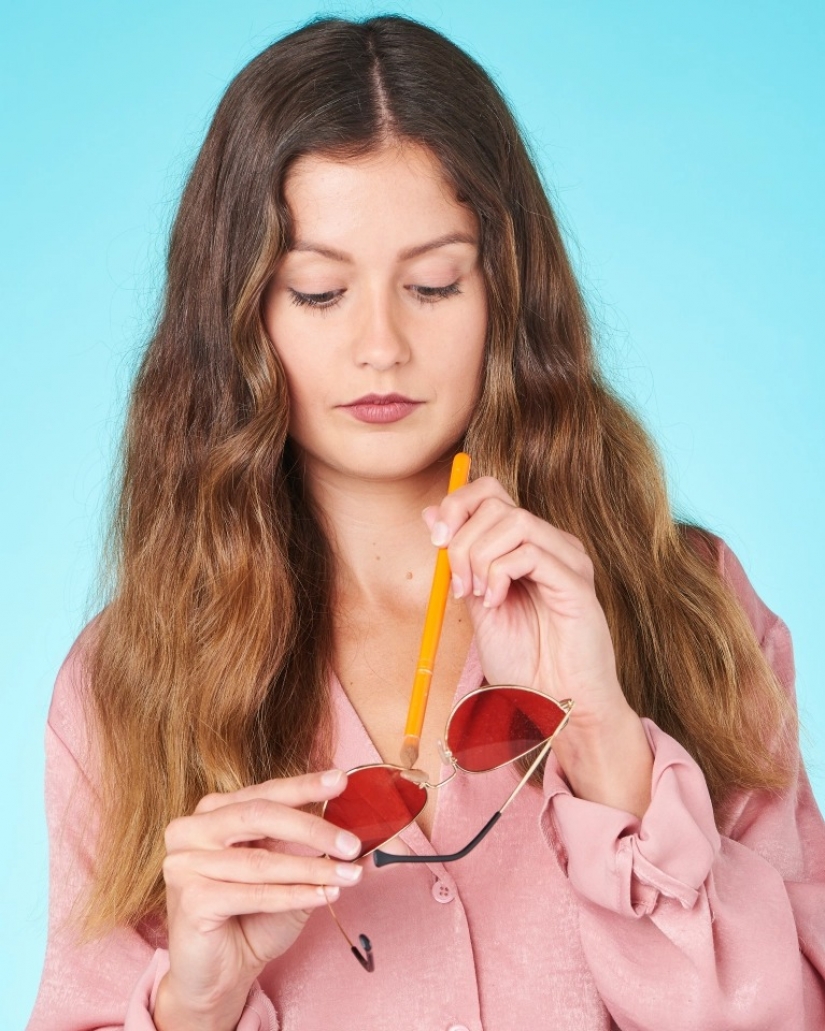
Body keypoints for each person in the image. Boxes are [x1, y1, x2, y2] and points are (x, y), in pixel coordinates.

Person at [27, 14, 825, 1031]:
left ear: (507, 292)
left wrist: (613, 753)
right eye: (318, 291)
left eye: (433, 283)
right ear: (239, 316)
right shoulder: (124, 683)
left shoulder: (693, 602)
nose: (381, 347)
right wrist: (195, 1002)